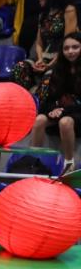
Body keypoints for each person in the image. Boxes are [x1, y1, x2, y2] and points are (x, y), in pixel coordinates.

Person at [10, 0, 78, 92]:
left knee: (48, 79)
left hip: (61, 58)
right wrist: (40, 60)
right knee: (19, 68)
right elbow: (39, 43)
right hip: (44, 58)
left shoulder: (68, 10)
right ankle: (24, 98)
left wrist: (50, 65)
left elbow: (67, 44)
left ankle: (40, 101)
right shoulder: (43, 14)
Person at [31, 32, 81, 170]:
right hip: (62, 111)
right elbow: (48, 99)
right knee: (39, 119)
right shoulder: (57, 70)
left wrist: (62, 110)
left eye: (75, 47)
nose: (70, 51)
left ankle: (69, 163)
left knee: (65, 122)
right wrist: (52, 110)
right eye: (66, 48)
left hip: (76, 114)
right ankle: (33, 159)